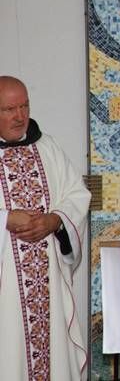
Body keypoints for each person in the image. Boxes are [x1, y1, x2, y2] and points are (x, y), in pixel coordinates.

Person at [0, 76, 90, 380]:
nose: (20, 116)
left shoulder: (46, 146)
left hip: (46, 287)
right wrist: (6, 219)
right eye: (9, 109)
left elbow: (77, 194)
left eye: (24, 106)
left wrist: (55, 220)